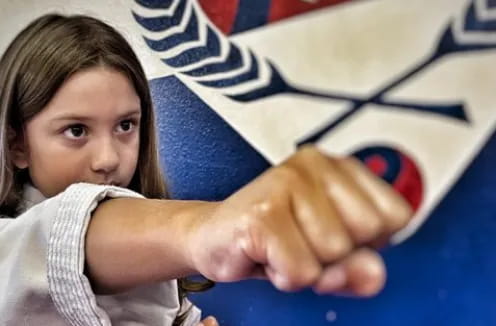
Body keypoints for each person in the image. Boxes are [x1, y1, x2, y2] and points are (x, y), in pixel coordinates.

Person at [0, 13, 414, 326]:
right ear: (17, 144)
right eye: (76, 131)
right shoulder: (9, 247)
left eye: (126, 125)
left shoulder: (159, 277)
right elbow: (58, 232)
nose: (107, 158)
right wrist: (205, 229)